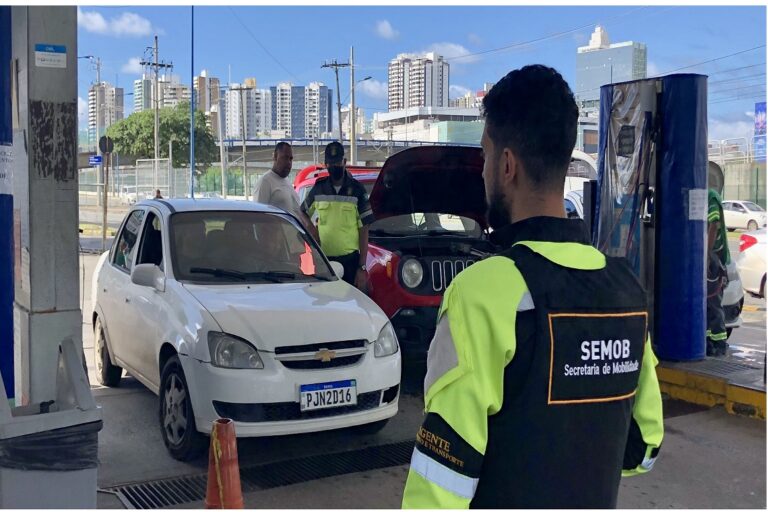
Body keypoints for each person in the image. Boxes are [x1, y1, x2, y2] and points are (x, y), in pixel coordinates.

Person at [401, 65, 664, 509]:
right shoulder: (626, 291)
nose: (482, 173)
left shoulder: (481, 293)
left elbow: (438, 486)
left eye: (485, 157)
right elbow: (643, 446)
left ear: (507, 165)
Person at [301, 141, 373, 289]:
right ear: (326, 164)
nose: (335, 166)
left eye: (338, 162)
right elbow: (301, 211)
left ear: (344, 162)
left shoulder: (357, 190)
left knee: (349, 306)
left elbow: (364, 229)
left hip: (350, 262)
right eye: (331, 163)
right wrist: (311, 228)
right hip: (324, 261)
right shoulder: (319, 188)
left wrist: (362, 267)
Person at [254, 142, 316, 237]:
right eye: (285, 158)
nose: (288, 163)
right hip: (276, 245)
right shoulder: (265, 182)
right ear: (275, 156)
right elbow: (258, 219)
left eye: (291, 159)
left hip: (295, 243)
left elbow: (297, 213)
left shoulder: (287, 182)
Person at [706, 189, 730, 356]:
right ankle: (709, 341)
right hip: (709, 257)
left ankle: (719, 343)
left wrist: (706, 254)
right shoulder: (704, 196)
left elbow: (714, 224)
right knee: (706, 303)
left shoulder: (711, 198)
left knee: (713, 303)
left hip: (714, 258)